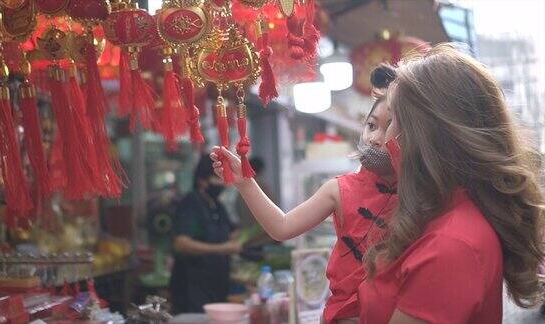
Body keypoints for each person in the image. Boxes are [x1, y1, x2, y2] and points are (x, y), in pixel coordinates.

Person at [358, 44, 545, 324]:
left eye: (393, 120)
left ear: (422, 136)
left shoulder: (449, 245)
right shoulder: (447, 216)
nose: (382, 140)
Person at [210, 65, 398, 324]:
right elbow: (282, 227)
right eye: (371, 125)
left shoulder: (421, 193)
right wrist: (245, 183)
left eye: (389, 126)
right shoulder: (339, 188)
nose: (375, 137)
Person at [169, 154, 242, 314]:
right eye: (218, 179)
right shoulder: (191, 203)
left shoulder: (217, 205)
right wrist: (221, 249)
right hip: (193, 288)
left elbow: (231, 231)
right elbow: (182, 243)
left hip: (216, 284)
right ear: (202, 181)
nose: (223, 183)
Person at [235, 157, 277, 247]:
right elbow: (274, 211)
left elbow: (238, 210)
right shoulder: (263, 188)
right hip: (263, 239)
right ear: (261, 170)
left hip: (246, 238)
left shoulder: (241, 189)